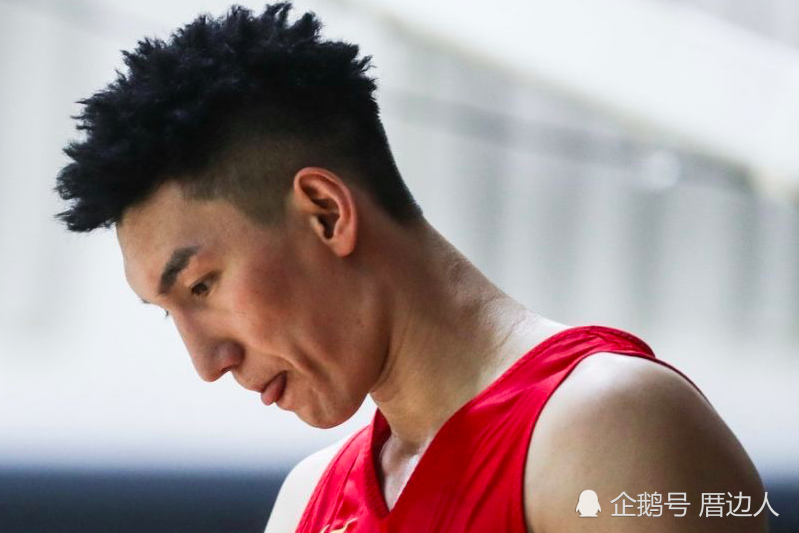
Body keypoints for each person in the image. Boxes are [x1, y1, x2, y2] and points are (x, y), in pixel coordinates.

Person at [55, 3, 768, 532]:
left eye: (202, 286)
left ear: (326, 213)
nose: (207, 362)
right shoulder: (306, 503)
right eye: (171, 314)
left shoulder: (611, 428)